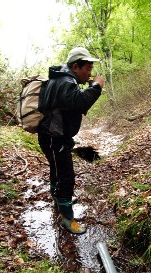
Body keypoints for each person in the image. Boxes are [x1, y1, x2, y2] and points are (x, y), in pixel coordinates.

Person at [38, 47, 104, 235]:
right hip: (54, 138)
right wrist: (96, 86)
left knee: (57, 169)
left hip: (53, 136)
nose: (90, 73)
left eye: (91, 70)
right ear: (75, 66)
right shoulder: (66, 81)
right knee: (66, 176)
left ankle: (58, 199)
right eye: (87, 69)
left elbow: (72, 103)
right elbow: (80, 102)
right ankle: (67, 217)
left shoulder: (60, 79)